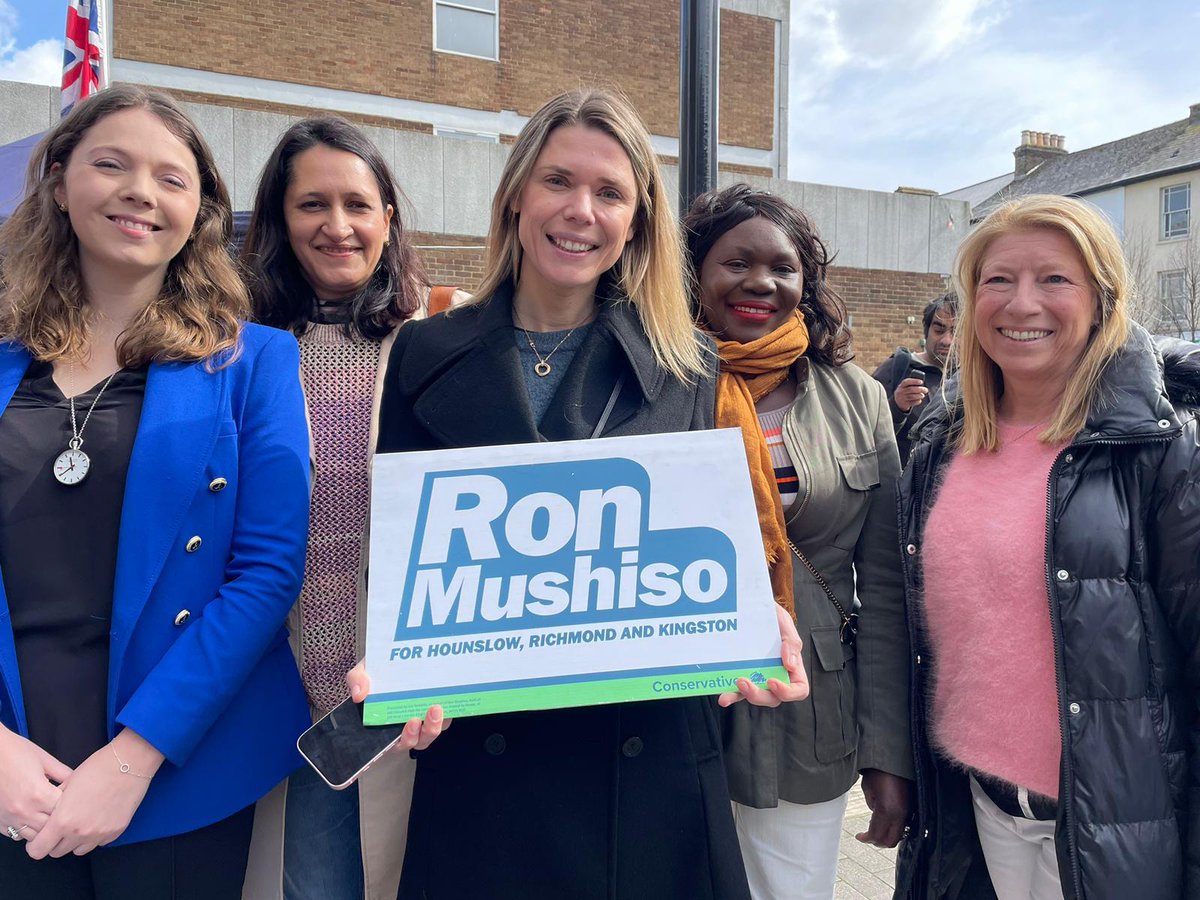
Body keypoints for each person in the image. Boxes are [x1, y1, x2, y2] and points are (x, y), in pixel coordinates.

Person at [347, 88, 809, 900]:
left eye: (610, 193)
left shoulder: (691, 364)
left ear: (637, 219)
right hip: (485, 767)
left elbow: (712, 546)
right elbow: (403, 564)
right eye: (559, 181)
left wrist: (747, 619)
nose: (580, 211)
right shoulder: (423, 353)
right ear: (518, 193)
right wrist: (397, 673)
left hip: (648, 774)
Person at [0, 85, 311, 899]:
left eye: (172, 179)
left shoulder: (257, 364)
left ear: (199, 212)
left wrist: (137, 757)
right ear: (60, 182)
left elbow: (266, 572)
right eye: (112, 165)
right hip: (10, 768)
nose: (141, 191)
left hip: (179, 765)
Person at [894, 194, 1200, 900]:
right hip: (983, 806)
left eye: (1054, 279)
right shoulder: (940, 442)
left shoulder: (1162, 447)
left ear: (1102, 298)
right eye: (998, 280)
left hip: (1124, 825)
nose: (1021, 303)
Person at [683, 184, 913, 899]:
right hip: (675, 704)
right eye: (735, 262)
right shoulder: (652, 382)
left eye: (782, 267)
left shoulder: (857, 396)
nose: (760, 281)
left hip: (808, 711)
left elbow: (882, 588)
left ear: (805, 283)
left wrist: (888, 752)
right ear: (694, 273)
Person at [238, 116, 442, 900]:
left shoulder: (439, 339)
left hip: (403, 697)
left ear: (388, 218)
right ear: (279, 220)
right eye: (311, 204)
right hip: (272, 688)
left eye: (358, 204)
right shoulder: (239, 347)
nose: (337, 226)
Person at [871, 292, 957, 462]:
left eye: (956, 332)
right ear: (927, 331)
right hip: (901, 484)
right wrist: (897, 406)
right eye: (939, 330)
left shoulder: (971, 379)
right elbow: (863, 431)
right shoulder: (897, 368)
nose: (947, 340)